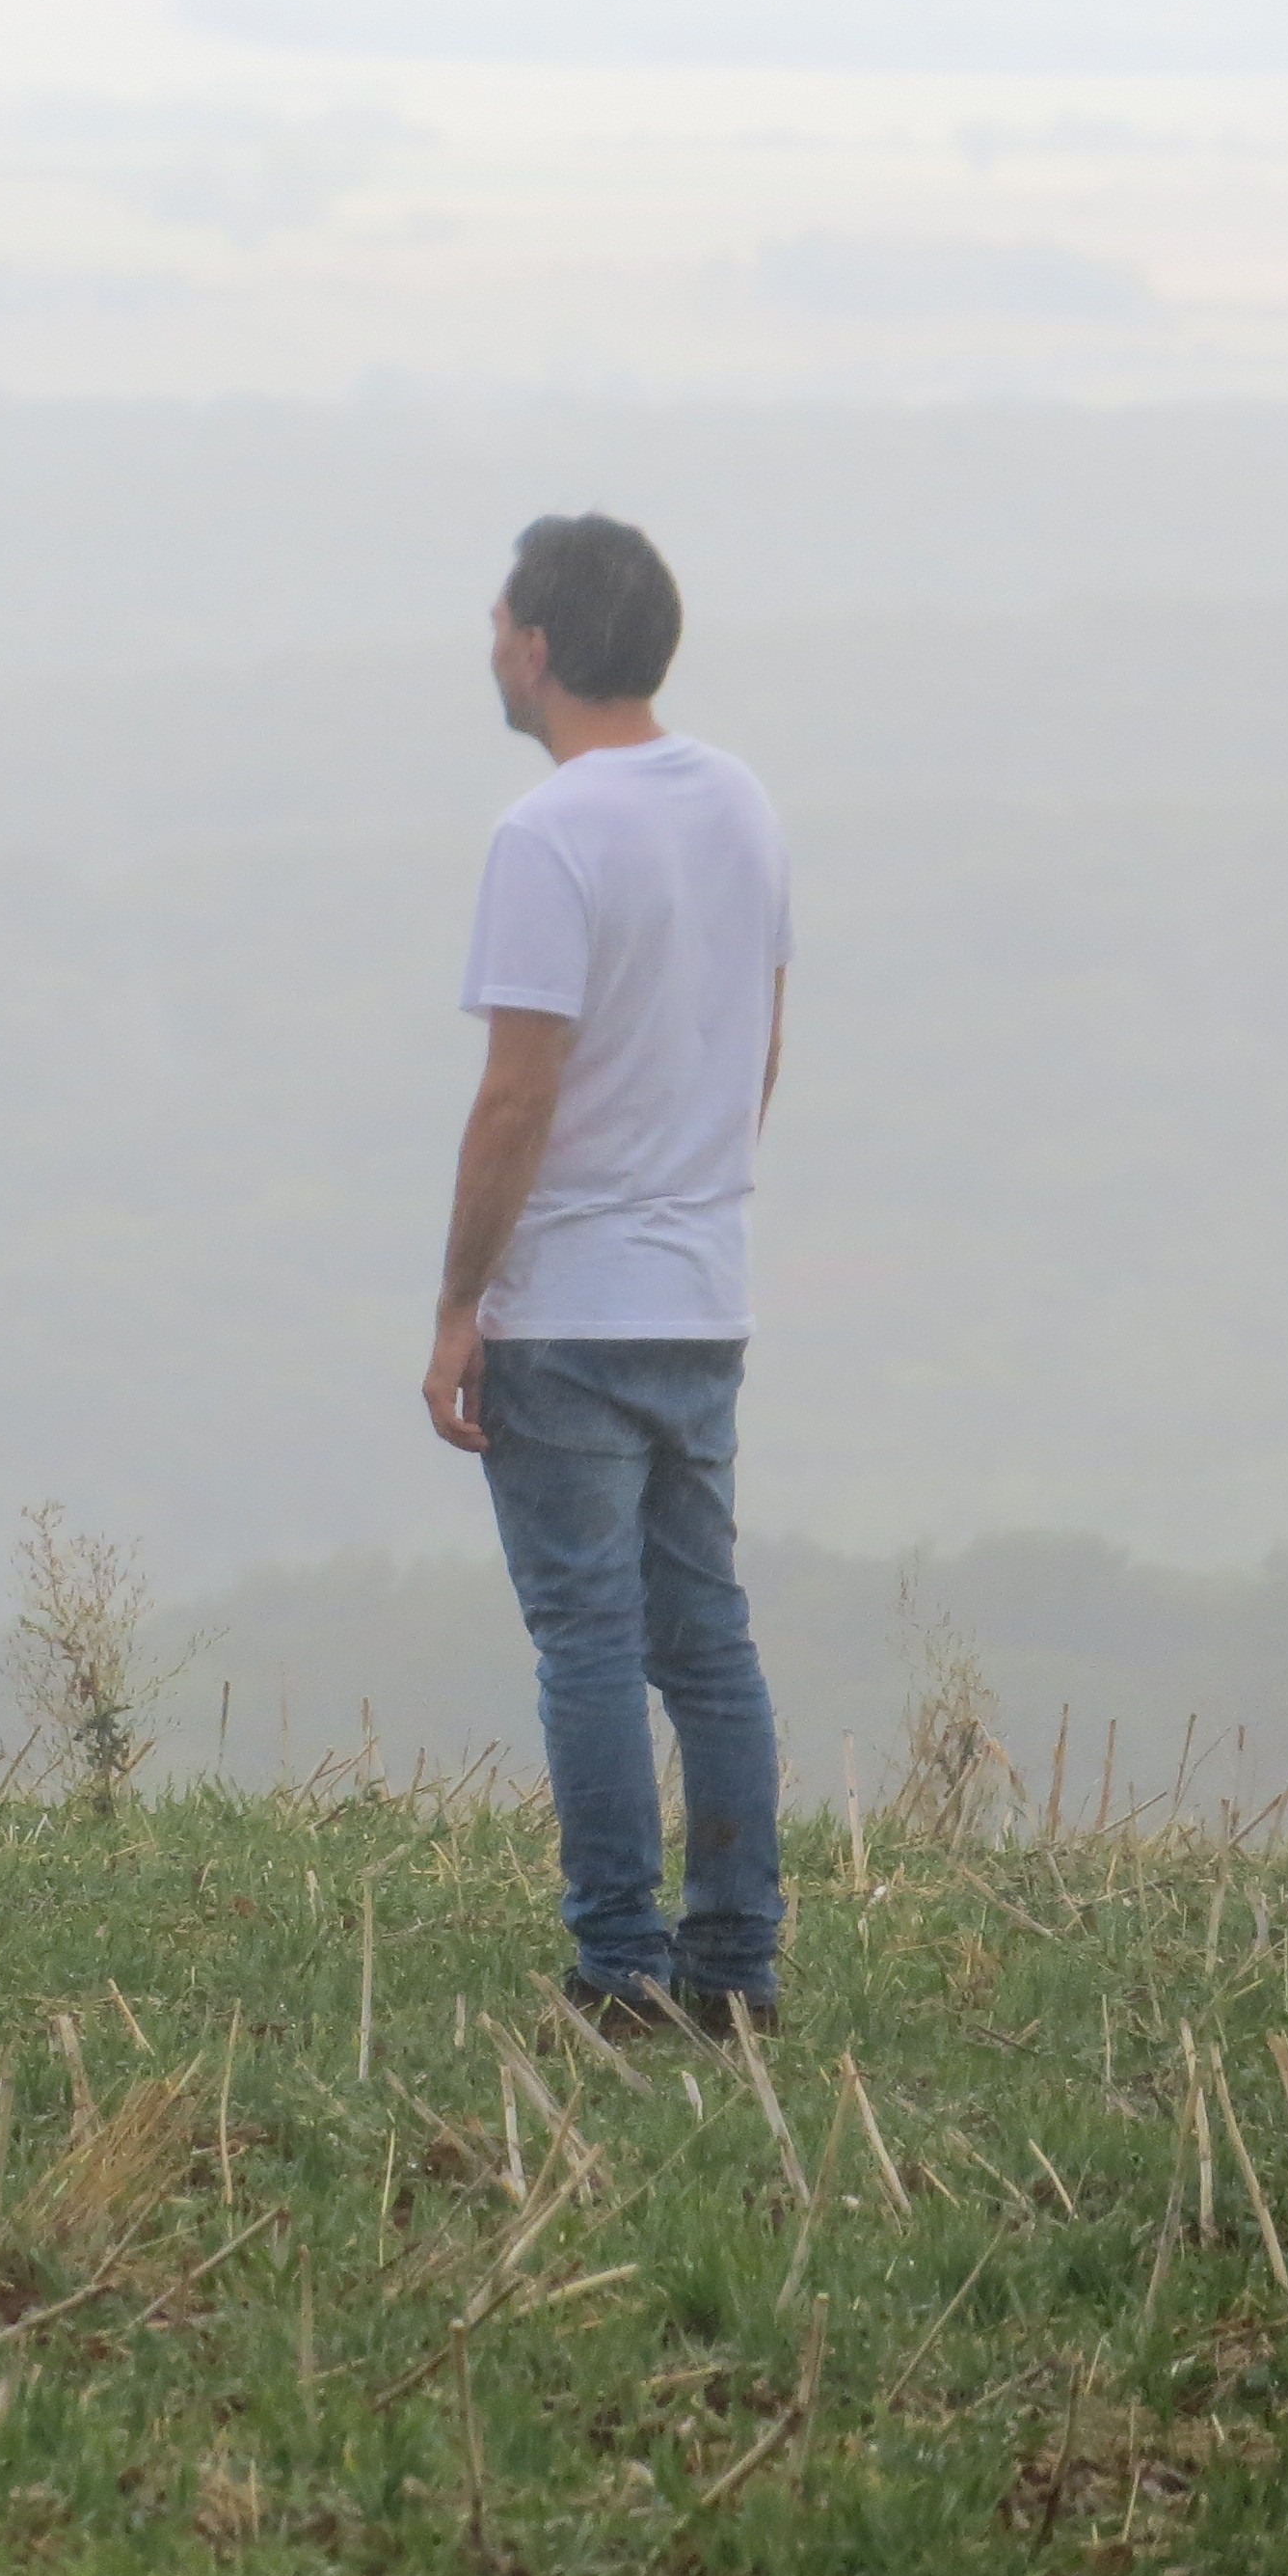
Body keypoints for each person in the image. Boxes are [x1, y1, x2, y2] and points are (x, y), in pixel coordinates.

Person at [421, 514, 792, 2038]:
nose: (490, 641)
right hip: (700, 1295)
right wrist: (693, 1200)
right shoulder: (742, 805)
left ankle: (618, 1967)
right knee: (706, 1642)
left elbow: (518, 1094)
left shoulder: (551, 832)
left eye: (499, 617)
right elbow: (758, 1046)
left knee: (587, 1642)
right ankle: (735, 1968)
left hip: (568, 1303)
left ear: (539, 646)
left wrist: (460, 1304)